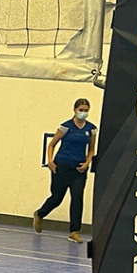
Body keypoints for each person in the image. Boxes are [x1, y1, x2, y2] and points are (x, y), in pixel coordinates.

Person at [33, 98, 97, 243]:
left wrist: (87, 163)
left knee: (77, 198)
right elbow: (52, 145)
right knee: (57, 198)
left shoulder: (91, 129)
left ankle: (75, 231)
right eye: (81, 110)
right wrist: (50, 161)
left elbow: (91, 150)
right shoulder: (65, 127)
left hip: (78, 170)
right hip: (62, 166)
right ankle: (40, 214)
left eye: (86, 110)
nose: (83, 113)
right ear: (75, 110)